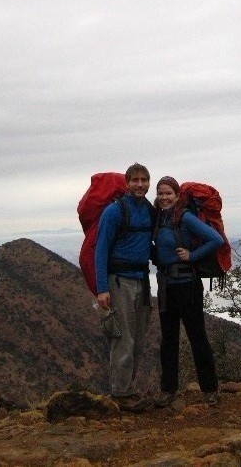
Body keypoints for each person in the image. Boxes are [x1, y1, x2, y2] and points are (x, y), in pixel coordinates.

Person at [152, 176, 223, 407]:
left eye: (168, 193)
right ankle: (168, 389)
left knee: (197, 336)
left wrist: (192, 256)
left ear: (177, 195)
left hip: (187, 284)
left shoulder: (185, 217)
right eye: (161, 193)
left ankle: (210, 389)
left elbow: (215, 239)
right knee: (168, 339)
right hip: (166, 285)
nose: (164, 197)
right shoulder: (159, 218)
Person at [95, 162, 154, 412]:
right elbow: (101, 249)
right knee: (123, 339)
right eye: (135, 180)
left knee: (138, 339)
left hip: (141, 280)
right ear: (127, 183)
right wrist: (101, 288)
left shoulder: (149, 210)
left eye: (144, 180)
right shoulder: (114, 211)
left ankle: (128, 389)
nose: (140, 184)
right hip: (119, 282)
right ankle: (120, 394)